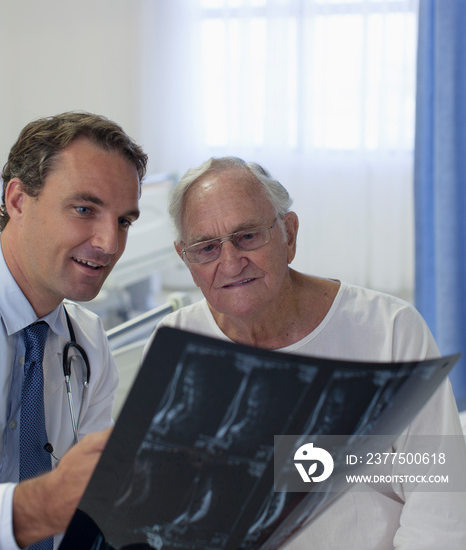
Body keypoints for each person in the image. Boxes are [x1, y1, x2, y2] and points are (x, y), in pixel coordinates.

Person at [153, 155, 466, 549]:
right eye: (207, 247)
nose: (230, 263)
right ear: (186, 258)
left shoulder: (390, 331)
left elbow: (440, 511)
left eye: (248, 236)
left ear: (290, 234)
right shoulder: (176, 344)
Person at [0, 111, 148, 550]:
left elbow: (91, 504)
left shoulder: (87, 341)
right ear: (19, 200)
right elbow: (52, 504)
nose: (109, 243)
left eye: (124, 221)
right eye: (84, 209)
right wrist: (34, 508)